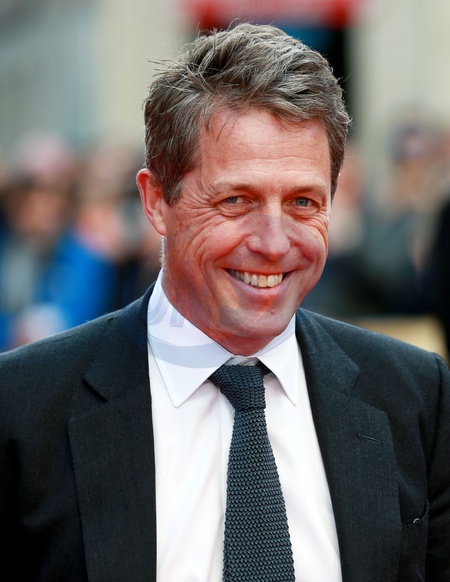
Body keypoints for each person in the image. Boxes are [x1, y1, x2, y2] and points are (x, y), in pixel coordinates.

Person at [0, 23, 449, 582]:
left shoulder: (414, 398)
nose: (274, 242)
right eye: (236, 200)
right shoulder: (22, 410)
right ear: (156, 200)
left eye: (304, 202)